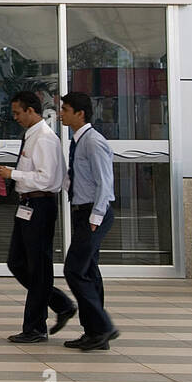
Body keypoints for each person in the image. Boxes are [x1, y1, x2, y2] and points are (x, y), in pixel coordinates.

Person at [0, 91, 76, 343]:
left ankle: (36, 327)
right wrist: (9, 173)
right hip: (28, 205)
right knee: (17, 262)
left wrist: (12, 174)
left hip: (40, 205)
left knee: (38, 267)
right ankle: (60, 304)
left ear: (31, 111)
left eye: (18, 112)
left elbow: (48, 179)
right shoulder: (32, 136)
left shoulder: (45, 139)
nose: (15, 117)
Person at [58, 91, 119, 351]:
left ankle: (104, 326)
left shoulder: (93, 142)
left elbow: (105, 182)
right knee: (90, 271)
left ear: (80, 113)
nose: (61, 113)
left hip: (94, 213)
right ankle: (95, 333)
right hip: (82, 210)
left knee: (74, 269)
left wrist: (95, 217)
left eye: (66, 109)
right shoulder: (77, 141)